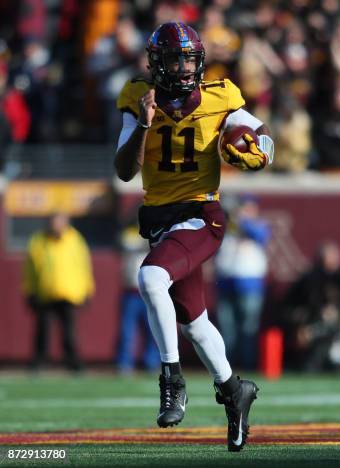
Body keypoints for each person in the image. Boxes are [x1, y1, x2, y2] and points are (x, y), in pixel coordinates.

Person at [114, 22, 274, 452]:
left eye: (189, 58)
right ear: (156, 62)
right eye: (174, 58)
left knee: (149, 279)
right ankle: (234, 389)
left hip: (203, 213)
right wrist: (145, 125)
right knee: (196, 323)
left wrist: (254, 155)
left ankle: (172, 379)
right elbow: (124, 170)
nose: (183, 67)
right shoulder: (138, 97)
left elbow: (263, 139)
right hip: (163, 220)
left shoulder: (222, 95)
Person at [24, 213, 94, 372]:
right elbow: (30, 269)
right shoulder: (38, 241)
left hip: (69, 293)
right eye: (53, 222)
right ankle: (39, 361)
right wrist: (29, 290)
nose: (56, 226)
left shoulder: (75, 240)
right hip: (45, 292)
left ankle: (72, 362)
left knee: (69, 332)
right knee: (43, 331)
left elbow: (84, 266)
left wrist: (88, 289)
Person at [282, 241, 340, 372]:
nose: (329, 262)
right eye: (326, 257)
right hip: (314, 323)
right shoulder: (307, 280)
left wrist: (339, 311)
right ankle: (308, 360)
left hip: (339, 324)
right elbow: (289, 307)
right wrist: (307, 317)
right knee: (305, 337)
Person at [215, 195, 270, 370]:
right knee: (226, 328)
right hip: (226, 281)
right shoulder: (227, 226)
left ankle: (248, 365)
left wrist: (241, 219)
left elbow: (259, 235)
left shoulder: (259, 225)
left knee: (248, 327)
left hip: (250, 284)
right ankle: (226, 367)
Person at [115, 223, 159, 374]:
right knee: (127, 330)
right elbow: (124, 244)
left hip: (150, 291)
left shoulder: (156, 231)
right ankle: (124, 363)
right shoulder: (129, 233)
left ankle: (151, 362)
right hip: (131, 290)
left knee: (153, 329)